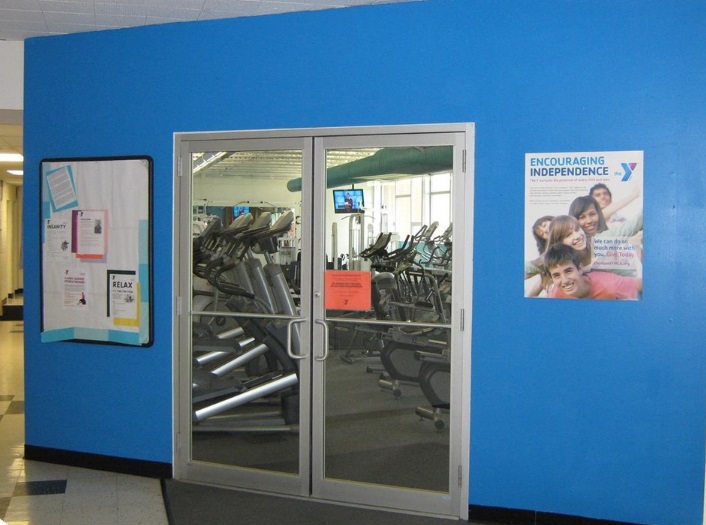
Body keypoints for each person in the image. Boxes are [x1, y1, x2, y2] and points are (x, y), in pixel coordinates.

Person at [544, 243, 641, 300]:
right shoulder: (556, 294)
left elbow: (642, 285)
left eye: (568, 271)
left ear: (580, 269)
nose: (565, 280)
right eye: (556, 275)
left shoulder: (610, 284)